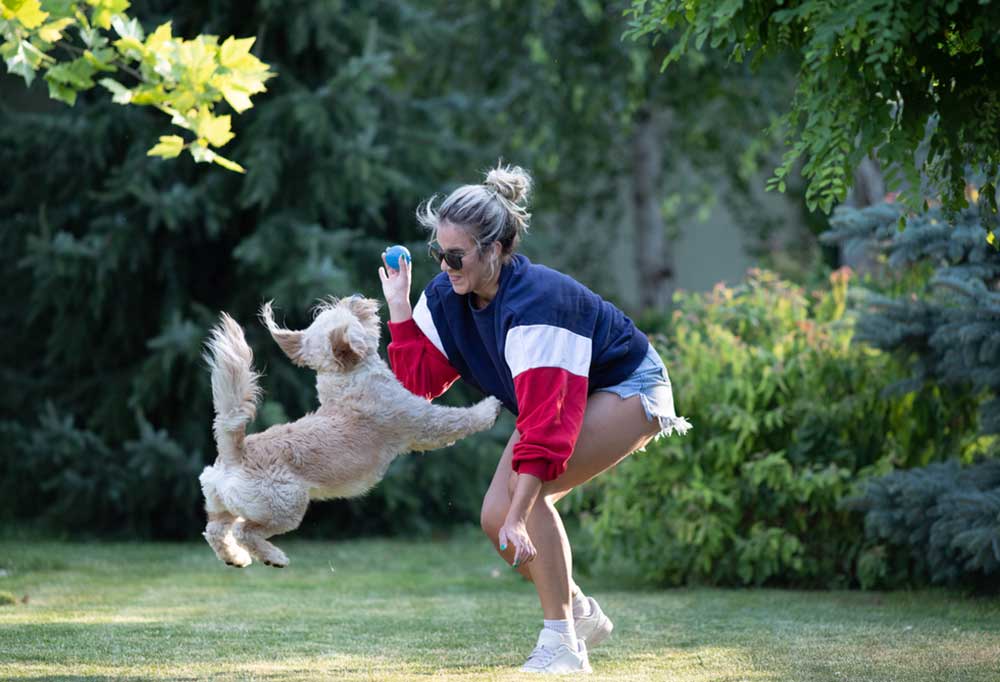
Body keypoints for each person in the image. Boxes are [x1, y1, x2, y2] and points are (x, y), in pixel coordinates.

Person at [378, 163, 691, 674]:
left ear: (495, 250)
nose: (444, 265)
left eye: (455, 256)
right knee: (493, 517)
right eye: (438, 253)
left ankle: (564, 645)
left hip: (628, 387)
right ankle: (581, 614)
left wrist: (521, 512)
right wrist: (398, 309)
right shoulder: (446, 294)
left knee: (524, 501)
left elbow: (548, 432)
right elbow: (418, 386)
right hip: (568, 398)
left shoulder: (537, 306)